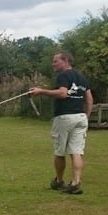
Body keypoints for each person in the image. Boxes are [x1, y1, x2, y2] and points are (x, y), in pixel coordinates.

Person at [30, 51, 94, 195]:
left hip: (65, 118)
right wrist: (86, 117)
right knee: (76, 152)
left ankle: (59, 181)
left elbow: (63, 93)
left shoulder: (63, 76)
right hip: (81, 118)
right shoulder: (82, 78)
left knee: (60, 152)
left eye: (55, 61)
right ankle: (76, 182)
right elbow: (89, 100)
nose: (53, 64)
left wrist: (41, 91)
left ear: (65, 60)